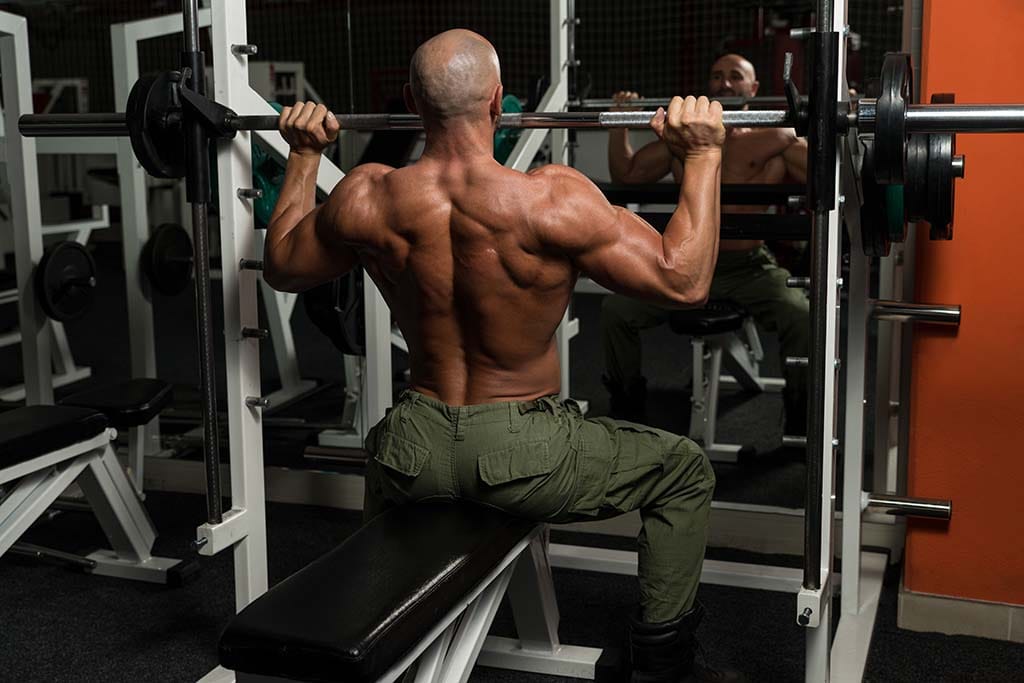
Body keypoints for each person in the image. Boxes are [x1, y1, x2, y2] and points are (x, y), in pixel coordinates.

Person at [264, 29, 740, 683]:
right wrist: (705, 155)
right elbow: (684, 279)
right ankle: (663, 663)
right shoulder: (549, 199)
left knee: (393, 475)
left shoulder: (368, 195)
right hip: (526, 454)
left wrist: (303, 154)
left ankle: (390, 627)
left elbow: (284, 264)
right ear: (497, 105)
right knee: (683, 471)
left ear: (410, 101)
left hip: (412, 448)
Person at [604, 53, 810, 437]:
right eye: (716, 76)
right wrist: (620, 123)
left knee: (799, 313)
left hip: (749, 267)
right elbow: (628, 174)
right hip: (686, 264)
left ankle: (800, 421)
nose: (725, 84)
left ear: (754, 89)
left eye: (735, 76)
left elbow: (829, 175)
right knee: (616, 310)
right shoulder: (682, 141)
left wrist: (833, 121)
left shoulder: (776, 140)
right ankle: (626, 409)